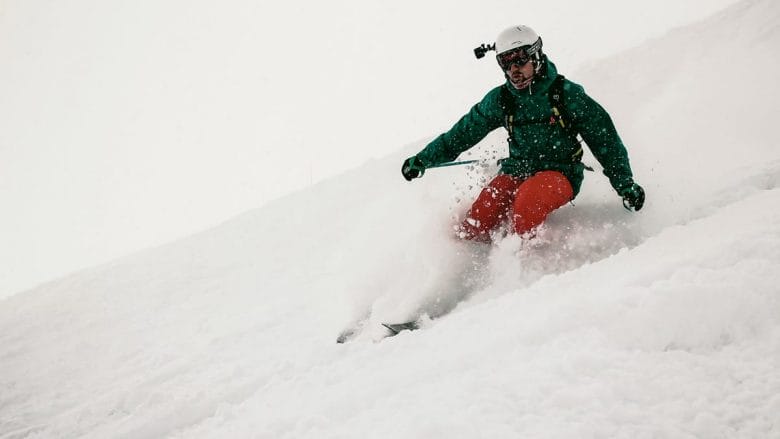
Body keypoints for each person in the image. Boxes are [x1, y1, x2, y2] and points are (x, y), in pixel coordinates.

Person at [402, 25, 645, 243]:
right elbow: (462, 133)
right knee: (481, 216)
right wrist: (424, 159)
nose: (513, 70)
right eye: (505, 64)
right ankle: (473, 273)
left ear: (536, 56)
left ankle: (529, 271)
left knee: (527, 204)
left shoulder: (565, 94)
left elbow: (604, 139)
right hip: (517, 169)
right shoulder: (502, 99)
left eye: (519, 61)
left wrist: (624, 184)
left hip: (560, 172)